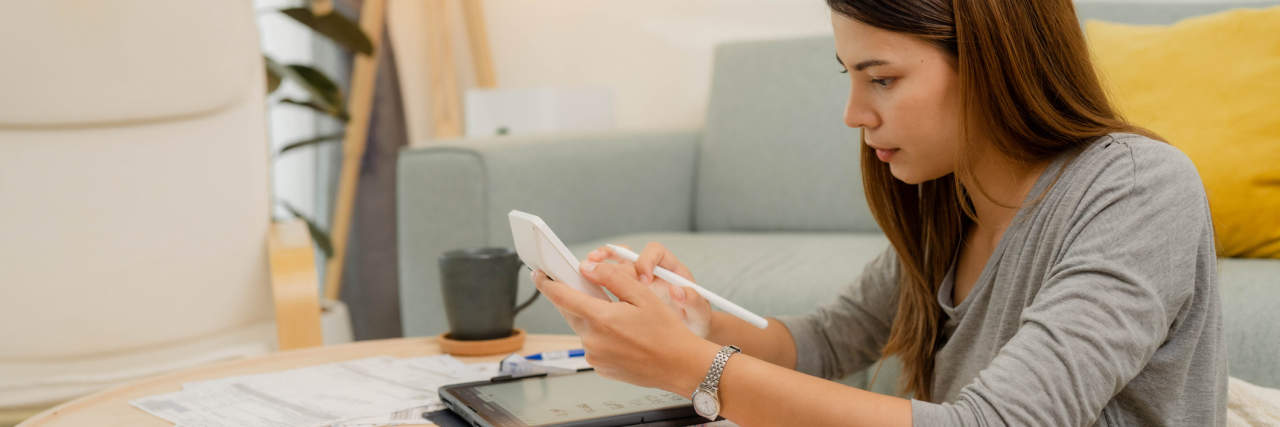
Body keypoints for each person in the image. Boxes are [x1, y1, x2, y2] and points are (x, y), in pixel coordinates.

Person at [531, 0, 1226, 425]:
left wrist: (695, 366)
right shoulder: (951, 201)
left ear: (992, 59)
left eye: (883, 78)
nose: (854, 114)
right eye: (851, 75)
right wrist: (698, 317)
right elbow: (827, 341)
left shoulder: (1140, 189)